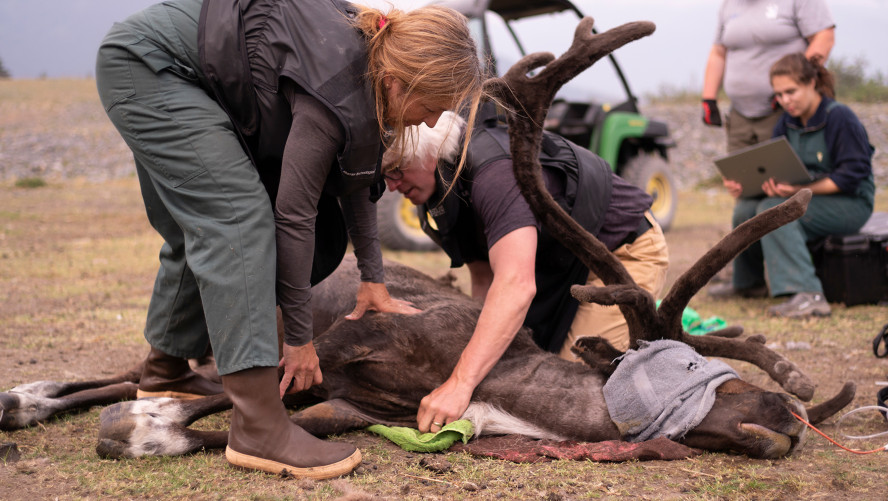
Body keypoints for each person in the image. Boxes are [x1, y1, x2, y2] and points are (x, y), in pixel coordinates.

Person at [95, 0, 483, 478]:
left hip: (177, 71)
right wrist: (298, 341)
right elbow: (293, 216)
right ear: (399, 81)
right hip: (150, 66)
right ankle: (257, 427)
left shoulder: (373, 79)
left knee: (196, 226)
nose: (429, 123)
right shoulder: (337, 86)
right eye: (432, 108)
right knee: (235, 218)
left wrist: (373, 279)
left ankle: (164, 374)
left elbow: (357, 178)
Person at [381, 108, 669, 433]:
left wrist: (461, 383)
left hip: (618, 254)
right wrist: (469, 359)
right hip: (556, 264)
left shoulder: (495, 174)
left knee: (567, 390)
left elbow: (516, 286)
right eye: (385, 175)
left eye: (396, 169)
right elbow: (484, 276)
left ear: (429, 152)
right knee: (507, 367)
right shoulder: (445, 185)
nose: (392, 186)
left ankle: (671, 374)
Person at [715, 53, 875, 318]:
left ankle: (808, 295)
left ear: (812, 83)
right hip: (805, 198)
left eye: (791, 91)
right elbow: (779, 171)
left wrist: (794, 194)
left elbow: (852, 176)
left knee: (776, 208)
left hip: (851, 203)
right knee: (746, 208)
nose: (785, 100)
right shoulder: (786, 123)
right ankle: (748, 283)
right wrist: (747, 185)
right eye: (779, 94)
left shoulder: (840, 117)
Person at [701, 0, 835, 153]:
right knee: (740, 173)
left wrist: (787, 91)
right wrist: (709, 98)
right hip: (739, 113)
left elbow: (824, 38)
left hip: (785, 110)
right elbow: (718, 52)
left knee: (785, 172)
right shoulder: (729, 4)